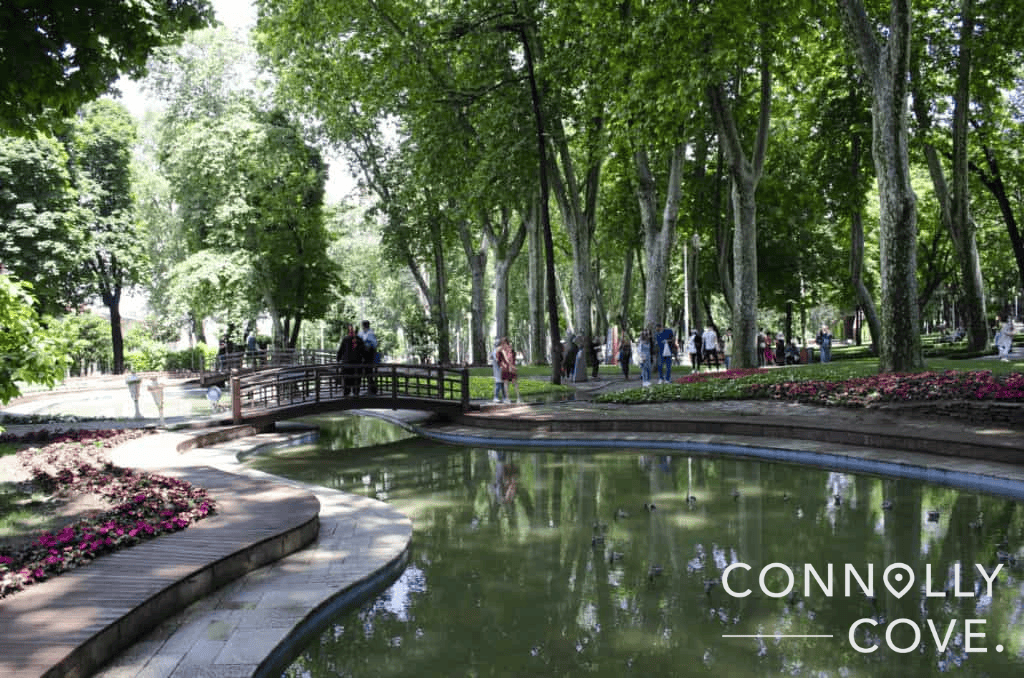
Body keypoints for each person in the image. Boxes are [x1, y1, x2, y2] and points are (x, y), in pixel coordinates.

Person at [337, 324, 365, 396]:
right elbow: (363, 351)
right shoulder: (359, 340)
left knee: (347, 379)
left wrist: (338, 359)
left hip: (347, 363)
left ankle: (347, 392)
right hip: (357, 363)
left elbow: (341, 350)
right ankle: (356, 392)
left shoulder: (345, 339)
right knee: (357, 378)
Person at [497, 336, 521, 403]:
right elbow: (499, 360)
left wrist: (512, 366)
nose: (503, 345)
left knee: (514, 382)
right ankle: (508, 398)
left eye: (505, 343)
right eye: (502, 343)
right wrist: (502, 365)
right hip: (505, 369)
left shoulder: (510, 351)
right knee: (506, 383)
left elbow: (513, 359)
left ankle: (518, 397)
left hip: (510, 368)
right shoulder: (501, 351)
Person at [359, 320, 379, 394]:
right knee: (367, 372)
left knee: (368, 372)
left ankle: (372, 389)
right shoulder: (361, 333)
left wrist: (367, 343)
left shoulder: (370, 333)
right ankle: (372, 389)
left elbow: (374, 344)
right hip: (363, 355)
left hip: (369, 355)